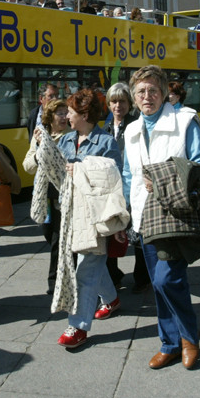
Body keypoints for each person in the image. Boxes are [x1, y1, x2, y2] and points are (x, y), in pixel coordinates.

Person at [122, 65, 200, 370]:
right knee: (160, 284)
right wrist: (125, 213)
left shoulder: (184, 120)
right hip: (143, 216)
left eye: (152, 90)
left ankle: (188, 337)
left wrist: (163, 179)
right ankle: (170, 343)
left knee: (167, 278)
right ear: (134, 97)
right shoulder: (131, 129)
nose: (147, 96)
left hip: (176, 213)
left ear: (163, 93)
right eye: (141, 92)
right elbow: (127, 175)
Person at [55, 88, 125, 349]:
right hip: (71, 214)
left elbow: (113, 182)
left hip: (95, 217)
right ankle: (112, 299)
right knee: (93, 264)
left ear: (84, 114)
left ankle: (78, 326)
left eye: (70, 112)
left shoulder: (105, 143)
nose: (66, 117)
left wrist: (81, 170)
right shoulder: (65, 140)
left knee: (86, 270)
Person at [104, 82, 150, 293]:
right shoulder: (105, 127)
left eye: (122, 101)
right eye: (113, 101)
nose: (117, 106)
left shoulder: (136, 125)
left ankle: (142, 277)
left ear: (129, 103)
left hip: (133, 188)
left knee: (137, 235)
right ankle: (113, 276)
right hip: (110, 191)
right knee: (109, 234)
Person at [22, 99, 70, 294]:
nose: (65, 117)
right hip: (45, 197)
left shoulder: (72, 136)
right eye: (60, 113)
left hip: (63, 195)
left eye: (67, 112)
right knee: (49, 235)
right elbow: (28, 166)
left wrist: (49, 147)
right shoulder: (40, 137)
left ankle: (54, 282)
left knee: (59, 241)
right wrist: (40, 150)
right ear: (50, 118)